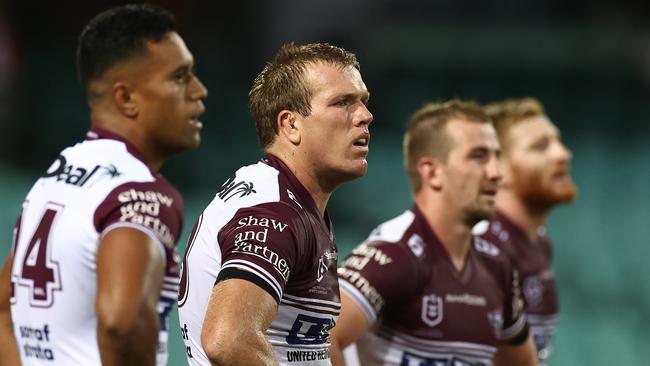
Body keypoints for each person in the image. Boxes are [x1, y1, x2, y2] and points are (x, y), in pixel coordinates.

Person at [0, 4, 208, 365]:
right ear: (125, 98)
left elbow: (3, 312)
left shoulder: (52, 180)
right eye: (180, 77)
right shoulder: (142, 193)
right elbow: (120, 323)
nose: (199, 90)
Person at [177, 42, 372, 365]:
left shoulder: (288, 199)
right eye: (342, 103)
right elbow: (228, 340)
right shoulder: (277, 213)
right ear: (290, 125)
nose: (365, 116)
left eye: (364, 102)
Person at [330, 100, 538, 366]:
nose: (496, 173)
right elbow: (322, 338)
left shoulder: (498, 268)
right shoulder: (394, 254)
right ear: (433, 172)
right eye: (478, 156)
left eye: (497, 157)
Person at [477, 98, 577, 365]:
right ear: (498, 169)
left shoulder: (539, 241)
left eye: (558, 141)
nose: (563, 154)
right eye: (540, 146)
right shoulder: (480, 248)